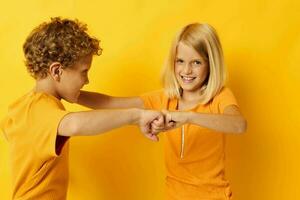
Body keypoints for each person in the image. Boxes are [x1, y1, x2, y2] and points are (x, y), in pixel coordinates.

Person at [0, 17, 166, 199]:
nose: (87, 80)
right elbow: (74, 124)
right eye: (84, 72)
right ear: (56, 71)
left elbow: (103, 102)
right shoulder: (39, 109)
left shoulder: (25, 106)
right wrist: (136, 117)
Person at [76, 23, 247, 199]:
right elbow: (109, 102)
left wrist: (188, 117)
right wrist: (72, 94)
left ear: (211, 64)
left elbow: (239, 124)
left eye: (196, 62)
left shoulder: (220, 97)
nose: (187, 70)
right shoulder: (165, 99)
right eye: (180, 61)